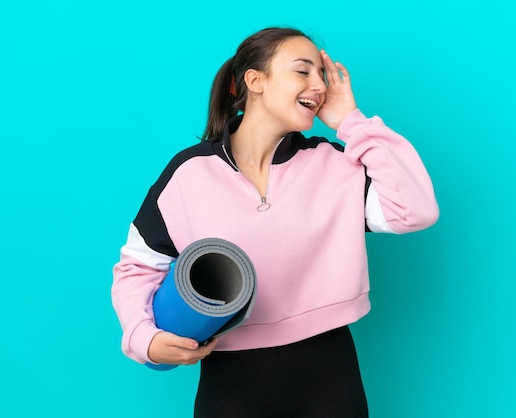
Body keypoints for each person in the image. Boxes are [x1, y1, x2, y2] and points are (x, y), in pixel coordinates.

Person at [112, 26, 439, 417]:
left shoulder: (334, 164)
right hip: (230, 379)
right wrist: (143, 337)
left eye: (321, 74)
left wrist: (352, 122)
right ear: (256, 81)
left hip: (330, 371)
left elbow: (416, 209)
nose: (318, 86)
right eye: (303, 71)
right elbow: (138, 267)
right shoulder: (189, 173)